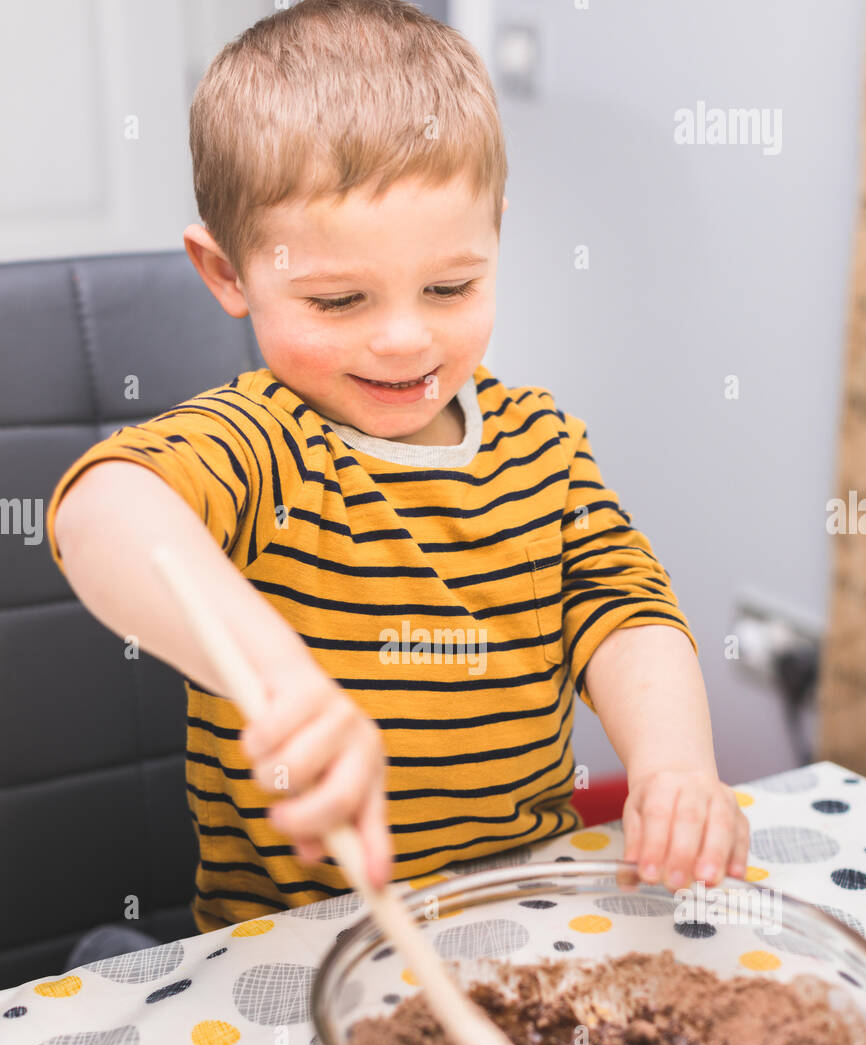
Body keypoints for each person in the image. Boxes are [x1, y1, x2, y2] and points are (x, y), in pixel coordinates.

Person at [47, 0, 750, 964]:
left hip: (521, 921)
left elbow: (624, 613)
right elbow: (104, 508)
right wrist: (279, 679)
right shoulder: (260, 444)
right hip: (297, 952)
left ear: (497, 234)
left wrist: (674, 764)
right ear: (227, 272)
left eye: (450, 287)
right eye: (339, 300)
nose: (405, 338)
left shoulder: (544, 443)